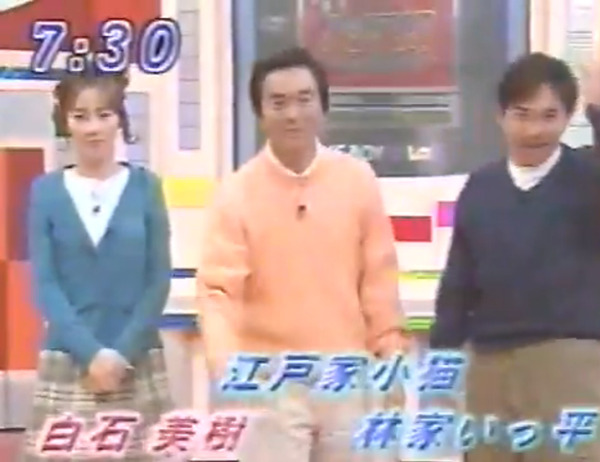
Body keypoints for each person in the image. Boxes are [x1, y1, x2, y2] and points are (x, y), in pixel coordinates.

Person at [429, 40, 600, 461]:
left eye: (548, 116)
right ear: (500, 116)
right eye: (521, 115)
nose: (534, 130)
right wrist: (442, 361)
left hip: (569, 364)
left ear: (567, 117)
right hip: (490, 366)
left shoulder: (589, 176)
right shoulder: (481, 187)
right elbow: (458, 284)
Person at [196, 47, 408, 462]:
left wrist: (392, 356)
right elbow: (219, 292)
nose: (292, 114)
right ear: (260, 113)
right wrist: (226, 368)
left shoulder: (357, 179)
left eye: (304, 99)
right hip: (268, 379)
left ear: (322, 107)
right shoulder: (236, 192)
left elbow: (379, 279)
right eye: (278, 103)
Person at [22, 69, 173, 461]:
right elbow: (45, 284)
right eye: (80, 115)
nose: (93, 127)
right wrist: (91, 353)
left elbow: (158, 279)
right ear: (65, 122)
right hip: (69, 357)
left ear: (120, 119)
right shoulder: (45, 192)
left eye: (104, 114)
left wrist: (120, 353)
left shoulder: (146, 187)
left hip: (136, 357)